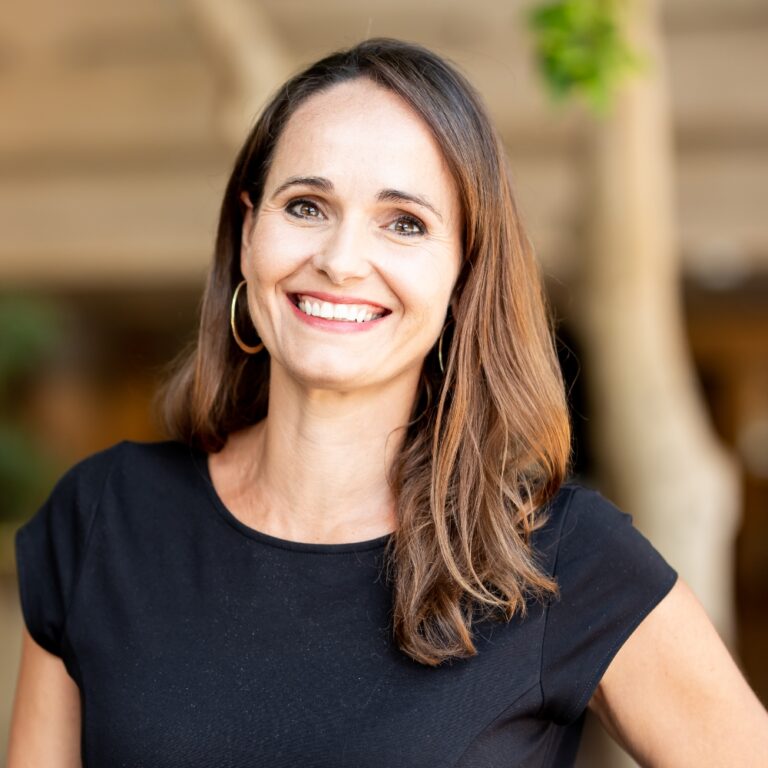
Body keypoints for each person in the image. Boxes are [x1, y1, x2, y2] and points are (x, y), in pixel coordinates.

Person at [7, 37, 768, 767]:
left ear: (463, 278)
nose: (340, 260)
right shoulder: (104, 518)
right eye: (306, 206)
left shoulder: (562, 561)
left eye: (404, 224)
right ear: (248, 230)